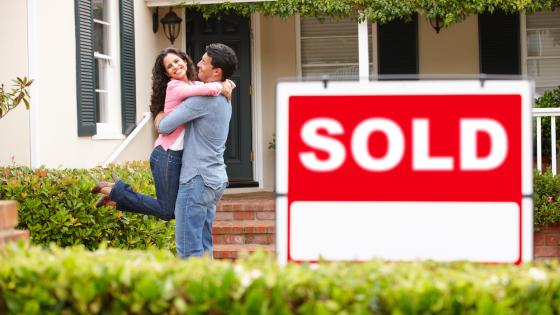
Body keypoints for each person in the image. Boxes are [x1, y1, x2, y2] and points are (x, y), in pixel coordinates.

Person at [92, 47, 233, 221]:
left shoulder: (195, 85)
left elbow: (209, 87)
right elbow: (208, 90)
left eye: (176, 61)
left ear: (184, 60)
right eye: (169, 66)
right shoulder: (176, 86)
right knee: (168, 211)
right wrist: (221, 86)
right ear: (167, 74)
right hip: (167, 155)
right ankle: (117, 192)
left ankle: (115, 197)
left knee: (171, 210)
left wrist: (227, 84)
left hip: (177, 156)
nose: (175, 66)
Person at [155, 43, 238, 259]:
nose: (198, 64)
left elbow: (164, 126)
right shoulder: (223, 95)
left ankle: (193, 292)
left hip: (196, 180)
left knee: (188, 250)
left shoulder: (203, 99)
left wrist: (159, 113)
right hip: (215, 179)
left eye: (203, 62)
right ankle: (209, 289)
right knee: (204, 245)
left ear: (217, 71)